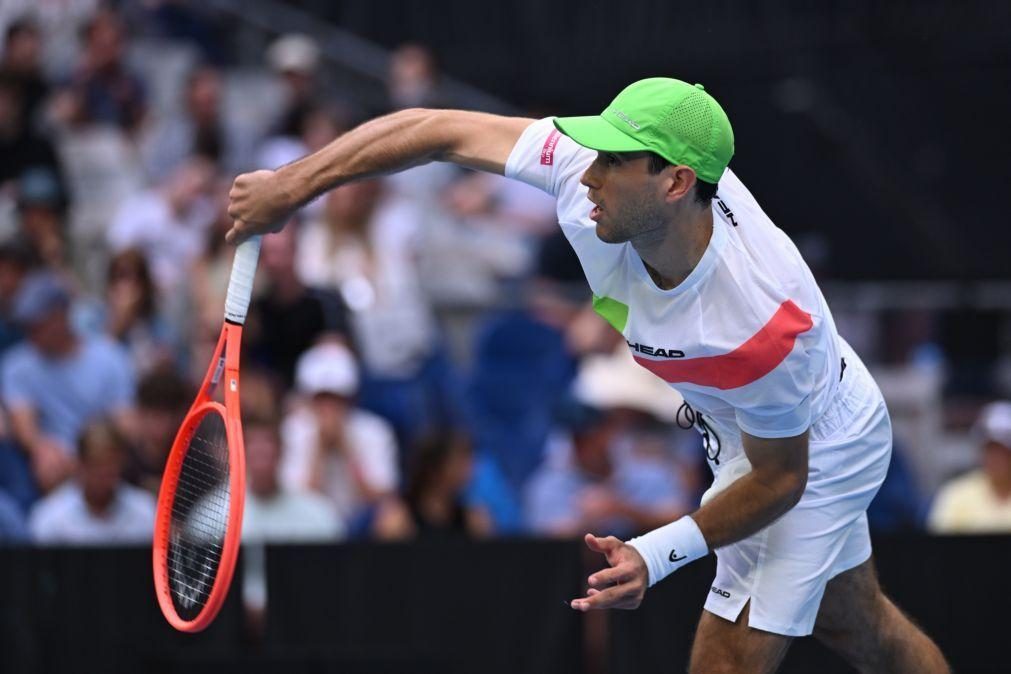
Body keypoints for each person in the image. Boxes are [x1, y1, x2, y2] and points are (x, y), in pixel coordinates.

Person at [225, 78, 948, 672]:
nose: (588, 170)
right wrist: (292, 186)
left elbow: (781, 479)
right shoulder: (583, 173)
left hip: (814, 449)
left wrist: (655, 553)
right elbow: (435, 127)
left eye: (613, 160)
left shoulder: (758, 321)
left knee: (725, 657)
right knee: (861, 631)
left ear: (674, 183)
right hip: (746, 426)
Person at [2, 271, 136, 493]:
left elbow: (125, 422)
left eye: (37, 324)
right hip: (51, 466)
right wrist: (43, 448)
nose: (30, 333)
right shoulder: (16, 366)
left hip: (104, 458)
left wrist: (91, 458)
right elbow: (24, 425)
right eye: (26, 326)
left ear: (60, 316)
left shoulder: (110, 357)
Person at [28, 419, 155, 545]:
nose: (103, 477)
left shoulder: (145, 511)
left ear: (121, 464)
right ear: (80, 465)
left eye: (110, 468)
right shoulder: (49, 518)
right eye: (96, 467)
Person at [927, 401, 1011, 533]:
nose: (997, 457)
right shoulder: (955, 495)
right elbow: (939, 549)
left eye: (1003, 450)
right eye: (990, 449)